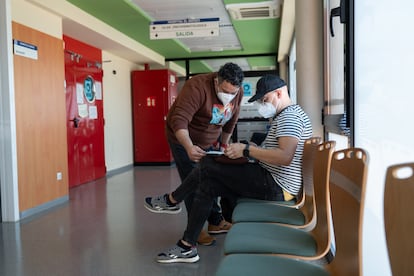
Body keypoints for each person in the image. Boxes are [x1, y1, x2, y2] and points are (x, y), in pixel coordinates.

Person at [144, 74, 312, 263]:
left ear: (279, 93)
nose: (263, 105)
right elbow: (280, 153)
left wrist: (247, 150)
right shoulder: (288, 115)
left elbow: (284, 156)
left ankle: (173, 200)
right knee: (208, 185)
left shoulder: (289, 117)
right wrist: (253, 149)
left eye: (265, 99)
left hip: (277, 185)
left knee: (207, 164)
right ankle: (187, 245)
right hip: (272, 179)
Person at [145, 62, 245, 246]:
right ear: (216, 81)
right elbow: (179, 120)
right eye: (226, 91)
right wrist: (189, 146)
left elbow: (232, 120)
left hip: (210, 141)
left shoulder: (237, 92)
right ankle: (195, 230)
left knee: (211, 179)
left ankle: (215, 222)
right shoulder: (197, 86)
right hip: (183, 140)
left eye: (234, 92)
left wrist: (223, 144)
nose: (230, 96)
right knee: (194, 182)